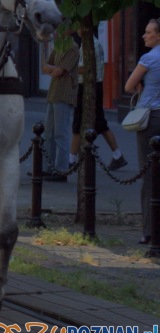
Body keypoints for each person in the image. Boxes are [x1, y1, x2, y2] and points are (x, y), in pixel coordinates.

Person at [123, 17, 160, 244]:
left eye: (148, 32)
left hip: (150, 117)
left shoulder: (149, 58)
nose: (144, 36)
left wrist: (141, 87)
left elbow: (128, 85)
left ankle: (149, 231)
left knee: (149, 175)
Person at [70, 30, 127, 171]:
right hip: (96, 85)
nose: (77, 30)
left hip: (88, 86)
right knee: (100, 123)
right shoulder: (93, 43)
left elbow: (86, 68)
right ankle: (117, 155)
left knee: (78, 122)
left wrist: (69, 68)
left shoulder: (89, 45)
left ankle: (71, 160)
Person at [42, 30, 80, 182]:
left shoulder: (72, 47)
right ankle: (48, 168)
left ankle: (62, 170)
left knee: (61, 134)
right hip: (53, 93)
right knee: (48, 133)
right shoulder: (59, 46)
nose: (55, 31)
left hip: (64, 94)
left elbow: (57, 71)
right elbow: (45, 68)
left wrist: (54, 69)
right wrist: (53, 68)